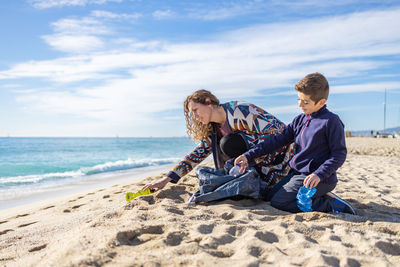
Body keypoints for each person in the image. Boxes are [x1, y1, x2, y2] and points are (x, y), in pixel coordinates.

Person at [235, 73, 355, 214]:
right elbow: (277, 141)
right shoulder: (300, 120)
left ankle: (330, 205)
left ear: (321, 102)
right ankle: (319, 196)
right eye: (299, 99)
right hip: (297, 174)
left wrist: (319, 174)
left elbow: (339, 155)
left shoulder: (331, 121)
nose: (300, 105)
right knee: (270, 196)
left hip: (319, 178)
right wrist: (248, 155)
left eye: (305, 102)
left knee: (279, 202)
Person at [143, 89, 294, 192]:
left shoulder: (239, 110)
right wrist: (166, 179)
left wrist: (250, 155)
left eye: (195, 110)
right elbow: (197, 154)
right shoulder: (214, 129)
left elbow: (279, 132)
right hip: (258, 166)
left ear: (208, 102)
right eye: (191, 114)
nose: (194, 117)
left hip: (282, 159)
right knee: (223, 149)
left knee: (228, 144)